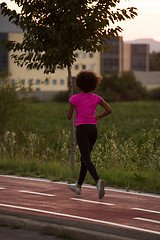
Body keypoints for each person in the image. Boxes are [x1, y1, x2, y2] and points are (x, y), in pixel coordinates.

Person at [67, 70, 112, 199]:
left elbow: (69, 116)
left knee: (86, 158)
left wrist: (73, 111)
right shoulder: (96, 97)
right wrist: (98, 116)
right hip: (93, 129)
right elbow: (109, 109)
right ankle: (78, 186)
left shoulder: (74, 98)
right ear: (94, 84)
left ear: (79, 84)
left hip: (82, 129)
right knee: (84, 158)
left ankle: (98, 182)